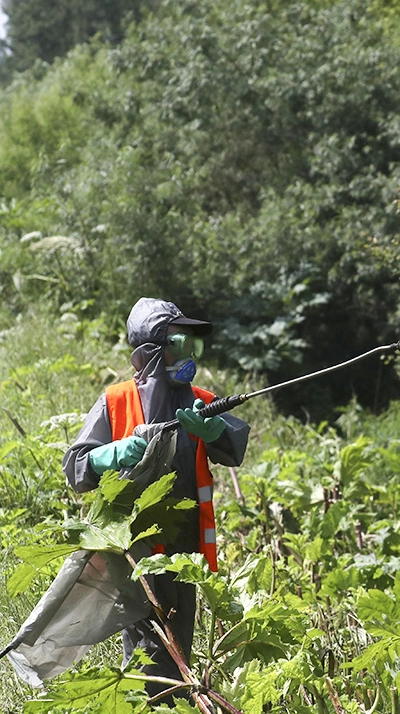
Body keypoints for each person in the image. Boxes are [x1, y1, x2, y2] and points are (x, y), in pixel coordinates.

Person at [62, 297, 249, 697]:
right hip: (139, 550)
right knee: (150, 650)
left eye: (193, 346)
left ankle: (177, 699)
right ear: (150, 352)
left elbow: (234, 445)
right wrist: (112, 453)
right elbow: (76, 468)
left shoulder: (201, 397)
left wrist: (215, 431)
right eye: (179, 344)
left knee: (180, 639)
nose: (190, 355)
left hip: (188, 553)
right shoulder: (116, 402)